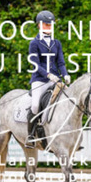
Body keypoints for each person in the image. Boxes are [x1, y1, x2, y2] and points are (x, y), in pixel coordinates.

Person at [26, 10, 71, 148]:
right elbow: (35, 64)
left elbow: (61, 63)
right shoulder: (34, 43)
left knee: (69, 101)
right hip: (39, 80)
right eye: (46, 24)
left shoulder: (56, 43)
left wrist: (65, 74)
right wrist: (48, 75)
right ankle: (31, 135)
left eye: (50, 24)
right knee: (35, 105)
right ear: (39, 25)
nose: (49, 27)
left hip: (55, 80)